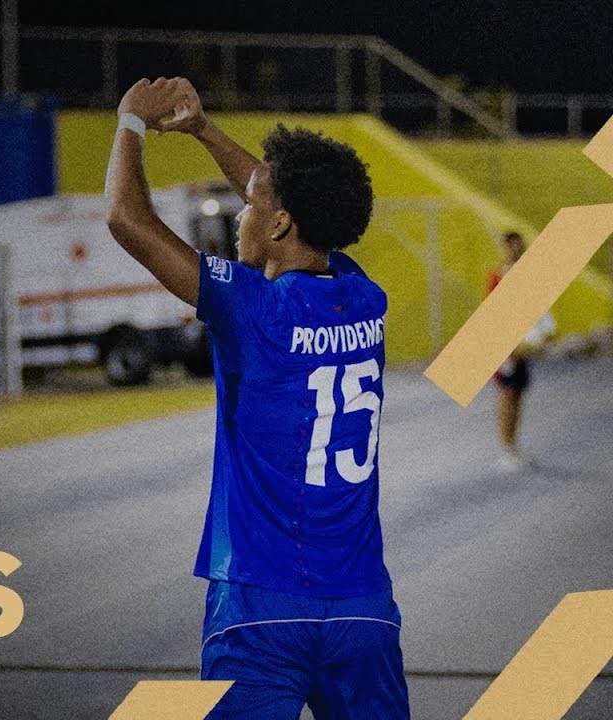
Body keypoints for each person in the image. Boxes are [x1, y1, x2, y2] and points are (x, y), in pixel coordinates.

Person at [105, 77, 408, 718]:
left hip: (259, 605)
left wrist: (130, 119)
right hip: (362, 607)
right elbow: (277, 191)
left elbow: (127, 219)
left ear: (280, 222)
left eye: (253, 205)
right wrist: (203, 129)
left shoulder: (251, 307)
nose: (242, 210)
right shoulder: (364, 296)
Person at [487, 231, 553, 471]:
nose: (517, 250)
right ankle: (505, 449)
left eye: (520, 246)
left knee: (517, 396)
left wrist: (540, 335)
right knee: (506, 396)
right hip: (505, 349)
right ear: (506, 248)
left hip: (523, 348)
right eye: (512, 247)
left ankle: (514, 447)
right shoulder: (498, 277)